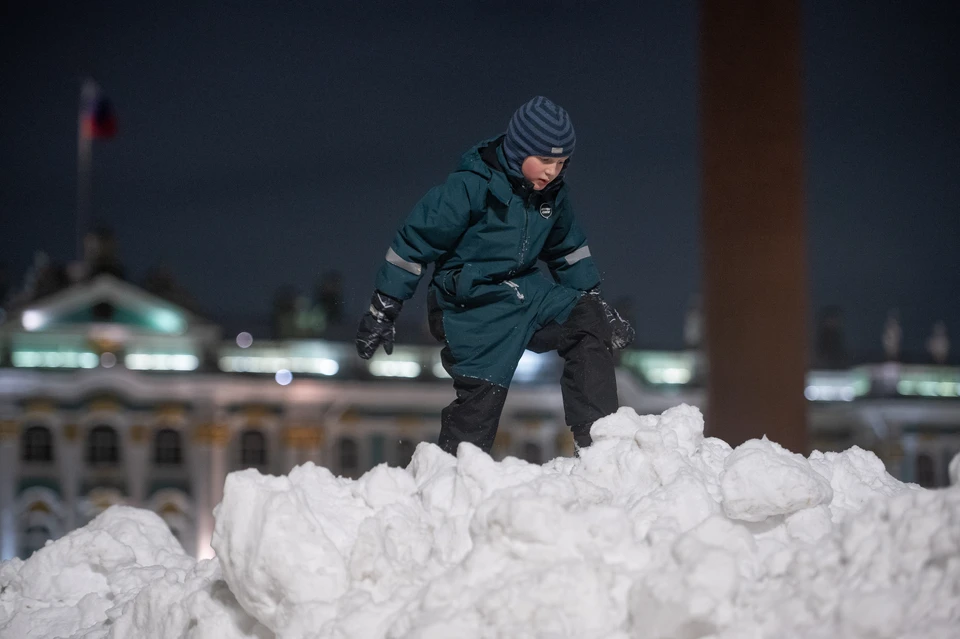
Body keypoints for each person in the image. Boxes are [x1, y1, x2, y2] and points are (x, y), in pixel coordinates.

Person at [355, 96, 634, 455]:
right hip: (470, 303)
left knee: (586, 319)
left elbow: (569, 251)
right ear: (519, 151)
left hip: (526, 292)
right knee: (480, 405)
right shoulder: (468, 188)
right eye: (545, 160)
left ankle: (599, 444)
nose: (553, 171)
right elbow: (414, 242)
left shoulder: (553, 196)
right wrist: (385, 306)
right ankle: (457, 474)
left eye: (562, 162)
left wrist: (594, 300)